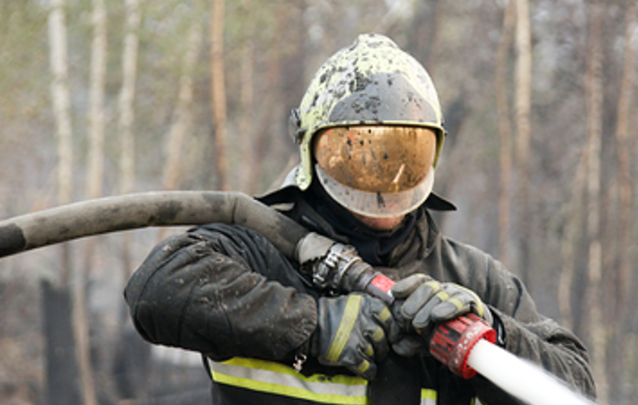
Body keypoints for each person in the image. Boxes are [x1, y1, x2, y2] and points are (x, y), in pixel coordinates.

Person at [124, 33, 595, 405]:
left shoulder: (475, 282)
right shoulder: (259, 249)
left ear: (432, 154)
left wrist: (492, 330)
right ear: (313, 151)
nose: (382, 181)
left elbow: (575, 386)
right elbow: (156, 289)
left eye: (403, 156)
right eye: (357, 156)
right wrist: (317, 325)